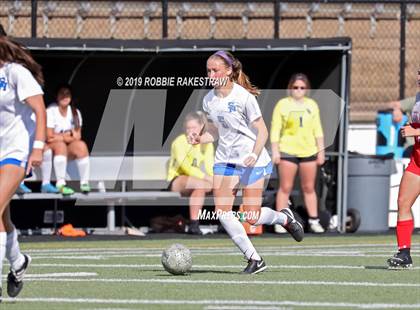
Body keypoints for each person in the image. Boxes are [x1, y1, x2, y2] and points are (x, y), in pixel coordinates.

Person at [189, 50, 304, 274]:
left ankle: (284, 218)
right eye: (208, 71)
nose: (211, 75)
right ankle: (254, 258)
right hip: (225, 161)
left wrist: (253, 153)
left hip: (253, 161)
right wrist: (199, 138)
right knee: (223, 212)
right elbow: (213, 132)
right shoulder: (208, 99)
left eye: (215, 70)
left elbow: (262, 131)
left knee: (251, 216)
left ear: (229, 71)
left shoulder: (243, 97)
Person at [0, 34, 46, 298]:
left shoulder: (16, 72)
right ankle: (18, 261)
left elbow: (39, 109)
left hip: (16, 152)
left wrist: (37, 148)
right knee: (2, 216)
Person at [270, 73, 326, 233]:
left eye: (302, 87)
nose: (298, 90)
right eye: (295, 87)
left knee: (308, 187)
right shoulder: (283, 104)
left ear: (306, 89)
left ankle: (314, 221)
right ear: (290, 88)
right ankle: (281, 222)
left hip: (308, 151)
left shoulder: (312, 104)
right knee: (285, 187)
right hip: (288, 150)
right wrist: (275, 151)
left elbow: (318, 129)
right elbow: (275, 129)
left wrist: (321, 151)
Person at [387, 70, 420, 269]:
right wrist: (410, 126)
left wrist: (414, 131)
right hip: (417, 159)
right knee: (403, 202)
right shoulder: (417, 97)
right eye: (419, 73)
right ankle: (404, 253)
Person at [167, 111, 214, 234]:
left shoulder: (206, 143)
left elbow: (210, 166)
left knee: (204, 187)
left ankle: (194, 224)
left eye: (193, 127)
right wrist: (208, 179)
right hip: (177, 180)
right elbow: (186, 167)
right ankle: (193, 224)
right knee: (202, 185)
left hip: (197, 181)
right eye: (188, 128)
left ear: (201, 127)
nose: (190, 131)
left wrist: (213, 178)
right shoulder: (180, 141)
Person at [45, 84, 91, 195]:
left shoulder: (75, 113)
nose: (65, 96)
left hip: (66, 151)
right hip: (50, 151)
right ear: (57, 96)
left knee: (81, 145)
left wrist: (62, 136)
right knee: (60, 144)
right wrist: (66, 136)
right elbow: (49, 137)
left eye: (67, 94)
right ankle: (60, 184)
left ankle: (84, 183)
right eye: (62, 93)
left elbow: (77, 136)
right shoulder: (51, 110)